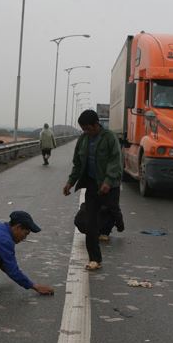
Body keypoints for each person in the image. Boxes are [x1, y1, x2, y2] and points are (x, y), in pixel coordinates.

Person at [63, 110, 124, 271]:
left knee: (112, 208)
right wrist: (70, 182)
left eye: (88, 128)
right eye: (84, 129)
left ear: (97, 124)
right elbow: (77, 163)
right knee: (90, 222)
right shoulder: (83, 140)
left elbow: (115, 161)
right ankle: (95, 259)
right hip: (91, 185)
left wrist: (108, 181)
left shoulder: (109, 137)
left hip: (109, 185)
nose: (86, 132)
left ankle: (119, 222)